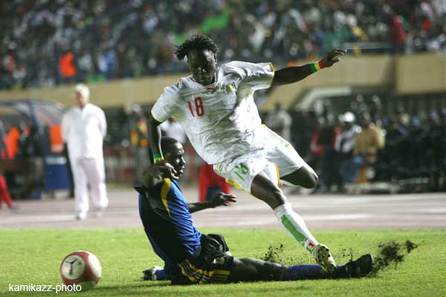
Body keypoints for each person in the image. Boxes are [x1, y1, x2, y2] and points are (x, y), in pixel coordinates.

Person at [148, 34, 346, 271]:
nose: (201, 70)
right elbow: (152, 122)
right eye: (194, 66)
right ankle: (315, 248)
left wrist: (318, 65)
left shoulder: (236, 72)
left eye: (206, 64)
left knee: (310, 180)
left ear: (215, 59)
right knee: (275, 196)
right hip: (230, 158)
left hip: (261, 140)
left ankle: (269, 173)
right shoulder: (178, 93)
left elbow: (279, 77)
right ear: (188, 65)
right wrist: (159, 159)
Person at [137, 137, 373, 284]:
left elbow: (179, 210)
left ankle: (160, 273)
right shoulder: (155, 181)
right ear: (160, 159)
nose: (183, 162)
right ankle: (338, 272)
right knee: (267, 270)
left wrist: (210, 203)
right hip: (195, 266)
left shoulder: (165, 187)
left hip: (188, 257)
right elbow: (148, 178)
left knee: (228, 256)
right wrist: (156, 169)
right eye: (177, 157)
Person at [61, 84, 108, 220]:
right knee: (79, 182)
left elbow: (102, 130)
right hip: (76, 153)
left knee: (97, 179)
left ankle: (100, 204)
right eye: (77, 96)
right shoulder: (69, 115)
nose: (79, 98)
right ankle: (81, 209)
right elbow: (64, 135)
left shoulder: (96, 111)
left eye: (81, 96)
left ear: (86, 97)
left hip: (93, 151)